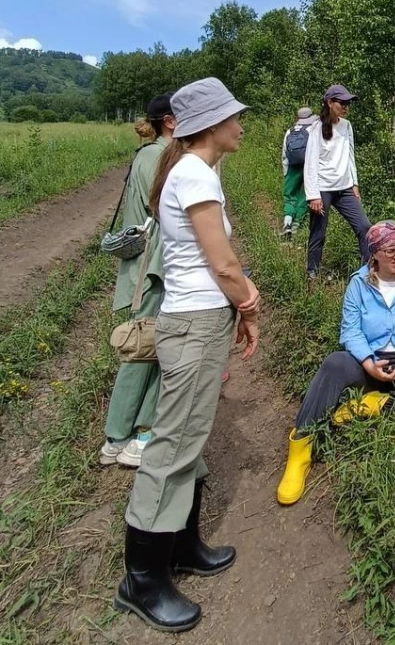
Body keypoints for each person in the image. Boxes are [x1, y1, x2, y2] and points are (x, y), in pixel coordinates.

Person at [114, 77, 261, 633]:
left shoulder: (193, 170)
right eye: (234, 117)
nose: (241, 125)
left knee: (190, 435)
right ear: (210, 126)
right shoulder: (195, 173)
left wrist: (239, 300)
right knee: (173, 444)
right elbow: (221, 263)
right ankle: (142, 579)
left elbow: (216, 255)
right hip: (197, 322)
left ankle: (181, 545)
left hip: (199, 319)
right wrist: (248, 302)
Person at [276, 220, 395, 506]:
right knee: (334, 363)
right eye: (390, 250)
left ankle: (376, 404)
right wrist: (369, 364)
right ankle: (301, 450)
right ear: (374, 254)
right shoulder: (358, 284)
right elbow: (350, 331)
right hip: (370, 358)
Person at [99, 95, 174, 468]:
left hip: (149, 267)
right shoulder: (159, 157)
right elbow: (163, 209)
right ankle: (123, 435)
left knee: (153, 346)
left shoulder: (149, 154)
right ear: (171, 121)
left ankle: (136, 431)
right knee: (144, 347)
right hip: (153, 268)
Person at [304, 85, 371, 278]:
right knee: (318, 233)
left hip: (345, 188)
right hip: (323, 189)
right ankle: (312, 274)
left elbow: (350, 155)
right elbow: (310, 162)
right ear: (330, 103)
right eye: (342, 103)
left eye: (348, 103)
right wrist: (313, 195)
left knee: (364, 227)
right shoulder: (316, 128)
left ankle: (368, 273)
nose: (346, 106)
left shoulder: (346, 125)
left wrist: (354, 184)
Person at [280, 106, 315, 241]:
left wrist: (286, 172)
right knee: (304, 195)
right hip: (308, 168)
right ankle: (297, 225)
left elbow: (284, 154)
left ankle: (287, 223)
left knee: (289, 196)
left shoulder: (290, 131)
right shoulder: (313, 130)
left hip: (292, 167)